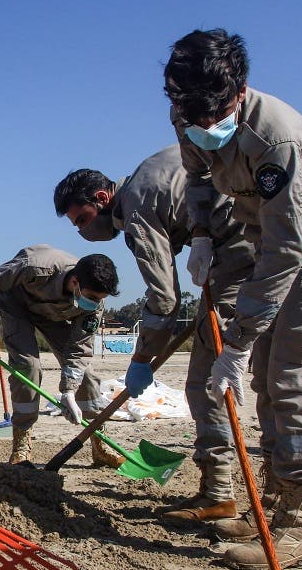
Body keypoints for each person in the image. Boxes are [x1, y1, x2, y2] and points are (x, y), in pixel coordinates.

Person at [165, 28, 302, 569]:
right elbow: (197, 176)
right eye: (193, 116)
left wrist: (235, 341)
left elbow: (287, 252)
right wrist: (203, 232)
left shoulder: (276, 140)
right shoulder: (188, 109)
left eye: (215, 114)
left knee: (292, 370)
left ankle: (301, 527)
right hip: (266, 239)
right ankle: (277, 503)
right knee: (263, 376)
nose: (205, 128)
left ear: (239, 90)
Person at [53, 147, 255, 525]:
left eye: (83, 219)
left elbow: (163, 300)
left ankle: (218, 494)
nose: (83, 231)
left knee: (203, 384)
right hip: (255, 245)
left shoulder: (136, 207)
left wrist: (142, 359)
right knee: (278, 372)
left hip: (238, 255)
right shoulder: (150, 174)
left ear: (102, 198)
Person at [0, 247, 122, 466]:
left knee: (85, 374)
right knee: (28, 367)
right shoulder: (34, 266)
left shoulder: (93, 304)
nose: (95, 303)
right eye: (92, 297)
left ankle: (100, 442)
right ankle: (22, 443)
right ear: (75, 282)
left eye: (100, 299)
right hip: (17, 306)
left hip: (55, 316)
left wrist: (68, 390)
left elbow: (79, 349)